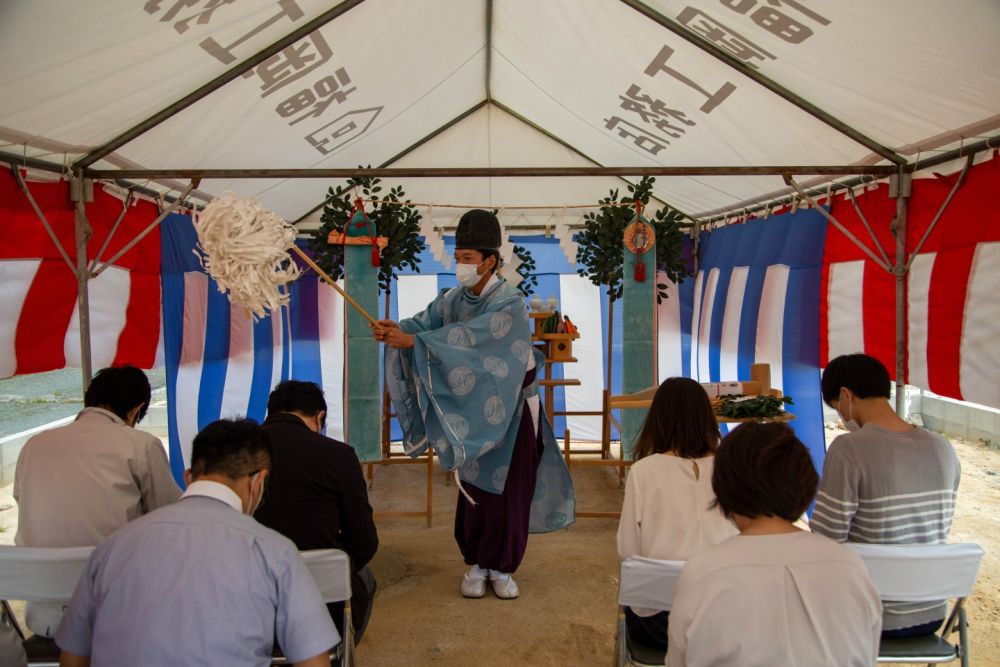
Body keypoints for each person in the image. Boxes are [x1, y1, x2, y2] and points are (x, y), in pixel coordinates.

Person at [376, 209, 574, 600]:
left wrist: (417, 344)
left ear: (490, 262)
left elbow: (480, 340)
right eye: (458, 256)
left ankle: (502, 568)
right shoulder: (450, 300)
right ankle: (476, 563)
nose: (461, 266)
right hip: (472, 410)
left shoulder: (510, 304)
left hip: (514, 411)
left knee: (509, 490)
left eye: (467, 258)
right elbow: (424, 325)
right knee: (476, 489)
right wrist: (397, 330)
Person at [54, 419, 339, 667]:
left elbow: (73, 657)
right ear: (258, 483)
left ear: (188, 476)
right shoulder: (274, 551)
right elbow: (313, 660)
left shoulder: (114, 545)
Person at [666, 422, 881, 667]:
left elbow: (679, 660)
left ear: (724, 486)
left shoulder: (704, 571)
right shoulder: (848, 566)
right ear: (805, 482)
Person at [13, 365, 181, 637]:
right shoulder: (140, 445)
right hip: (116, 613)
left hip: (45, 616)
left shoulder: (34, 445)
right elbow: (171, 517)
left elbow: (24, 502)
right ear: (135, 410)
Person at [812, 353, 961, 637]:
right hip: (931, 612)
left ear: (845, 395)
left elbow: (826, 542)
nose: (842, 417)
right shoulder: (943, 448)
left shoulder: (849, 449)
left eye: (837, 408)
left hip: (868, 614)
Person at [616, 377, 738, 651]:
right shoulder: (730, 467)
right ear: (707, 418)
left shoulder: (644, 471)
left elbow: (627, 550)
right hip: (727, 618)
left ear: (658, 419)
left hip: (660, 623)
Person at [255, 380, 379, 643]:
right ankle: (336, 653)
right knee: (364, 578)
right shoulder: (338, 455)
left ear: (272, 412)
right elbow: (365, 541)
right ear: (319, 416)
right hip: (321, 599)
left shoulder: (237, 454)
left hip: (246, 596)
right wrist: (331, 559)